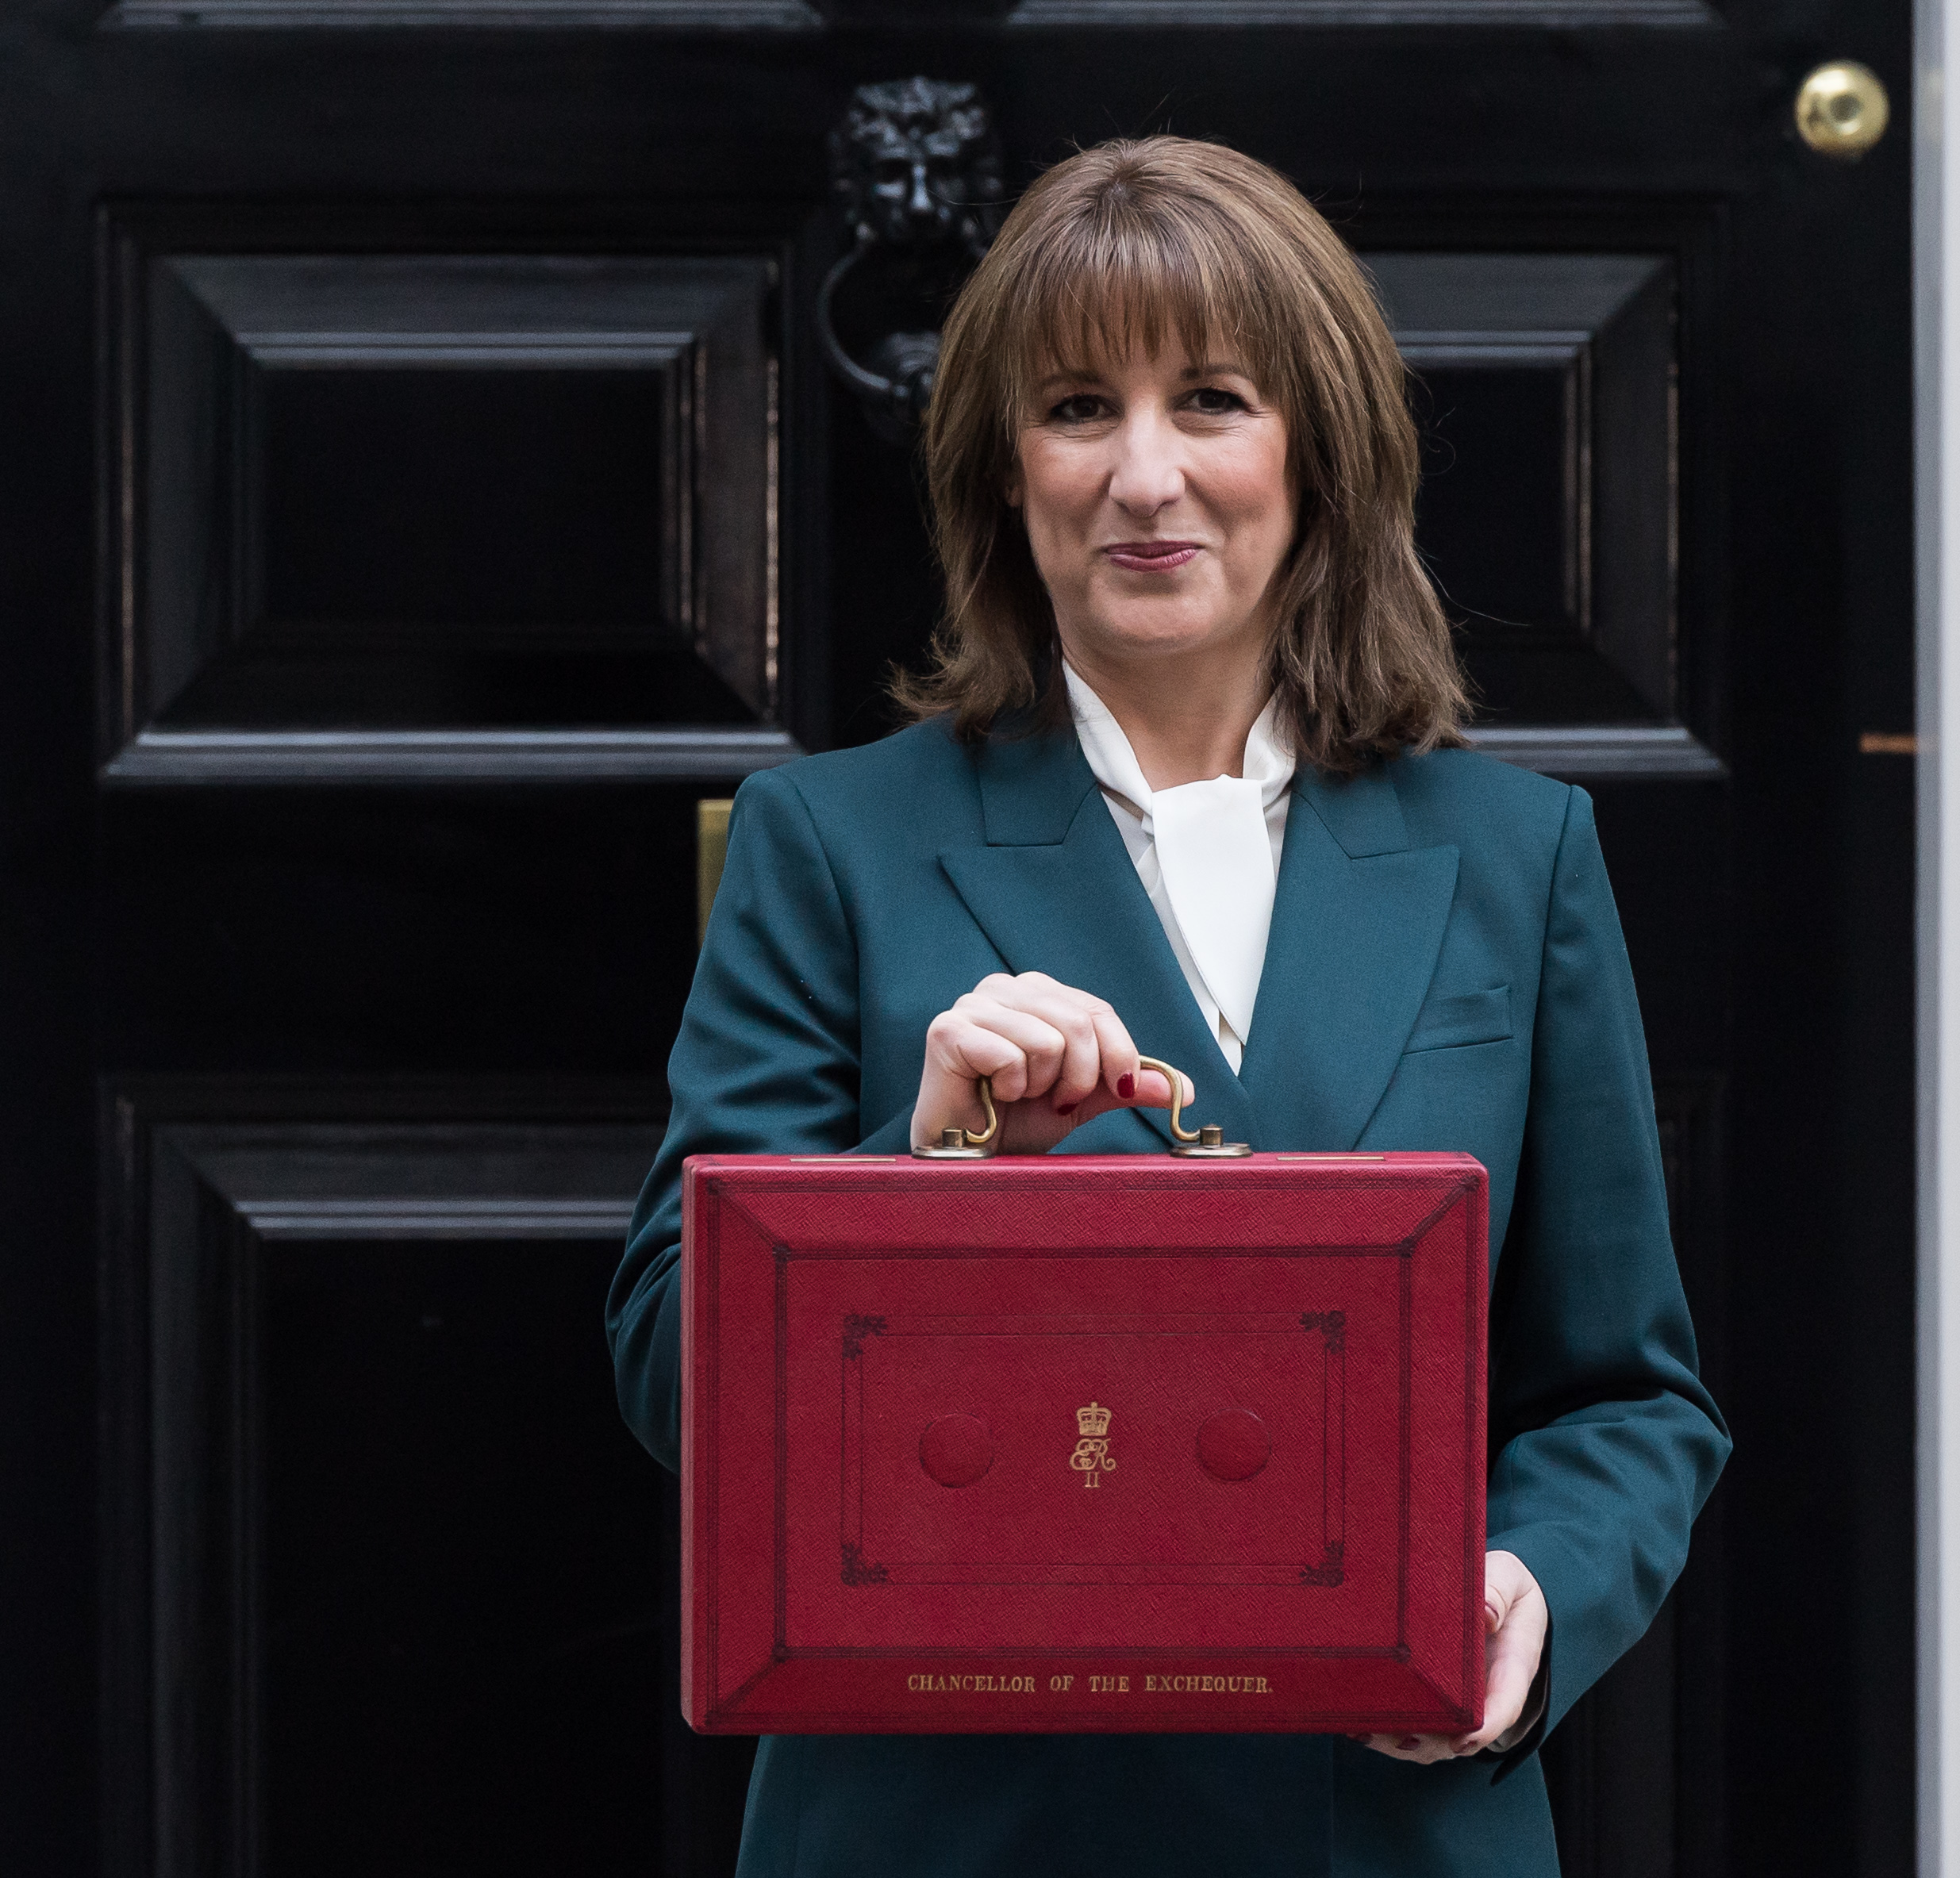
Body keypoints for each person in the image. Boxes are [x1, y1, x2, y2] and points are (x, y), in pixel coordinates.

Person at [609, 134, 1727, 1878]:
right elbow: (671, 1362)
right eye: (1074, 408)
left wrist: (1524, 1595)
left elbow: (1625, 1395)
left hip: (1379, 1822)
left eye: (1209, 398)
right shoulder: (827, 841)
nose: (1144, 476)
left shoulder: (1514, 855)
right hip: (946, 1827)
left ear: (1319, 455)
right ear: (1000, 471)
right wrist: (925, 1185)